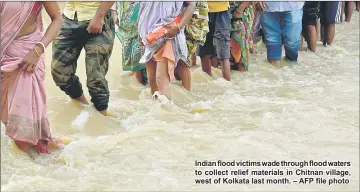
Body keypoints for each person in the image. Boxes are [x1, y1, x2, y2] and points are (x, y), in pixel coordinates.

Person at [1, 2, 63, 157]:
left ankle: (29, 174)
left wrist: (38, 49)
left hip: (27, 57)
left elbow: (57, 19)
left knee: (22, 126)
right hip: (4, 55)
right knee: (7, 117)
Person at [51, 2, 115, 116]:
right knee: (59, 72)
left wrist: (99, 16)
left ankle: (102, 118)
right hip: (69, 17)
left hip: (98, 17)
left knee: (95, 78)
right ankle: (83, 105)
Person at [138, 2, 195, 100]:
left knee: (160, 78)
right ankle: (157, 111)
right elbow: (143, 7)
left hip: (168, 33)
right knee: (151, 79)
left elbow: (191, 4)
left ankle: (167, 111)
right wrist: (139, 31)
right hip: (149, 36)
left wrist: (178, 27)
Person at [258, 1, 304, 67]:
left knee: (292, 42)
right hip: (267, 5)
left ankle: (291, 70)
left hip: (294, 4)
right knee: (271, 40)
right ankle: (275, 74)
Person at [112, 2, 147, 85]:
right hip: (126, 15)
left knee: (139, 44)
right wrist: (114, 11)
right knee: (132, 44)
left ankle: (138, 86)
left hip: (141, 13)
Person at [177, 2, 209, 91]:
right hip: (194, 17)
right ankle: (183, 91)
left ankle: (186, 93)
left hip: (192, 20)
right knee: (181, 60)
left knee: (183, 60)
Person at [198, 1, 231, 81]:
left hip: (216, 9)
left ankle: (225, 82)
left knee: (221, 51)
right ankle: (226, 84)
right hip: (205, 9)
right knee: (205, 49)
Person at [230, 2, 255, 71]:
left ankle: (241, 77)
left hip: (241, 13)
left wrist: (240, 9)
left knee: (240, 48)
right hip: (221, 10)